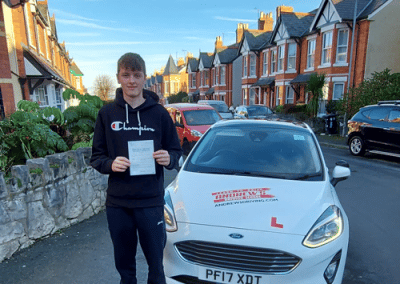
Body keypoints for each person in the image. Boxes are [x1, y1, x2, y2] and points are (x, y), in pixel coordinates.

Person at [90, 53, 182, 284]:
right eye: (126, 75)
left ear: (144, 79)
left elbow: (176, 152)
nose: (132, 81)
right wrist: (111, 164)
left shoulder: (160, 114)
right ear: (118, 78)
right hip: (119, 204)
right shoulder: (107, 114)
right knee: (125, 268)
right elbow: (96, 157)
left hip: (150, 202)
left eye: (137, 75)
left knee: (156, 267)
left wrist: (167, 158)